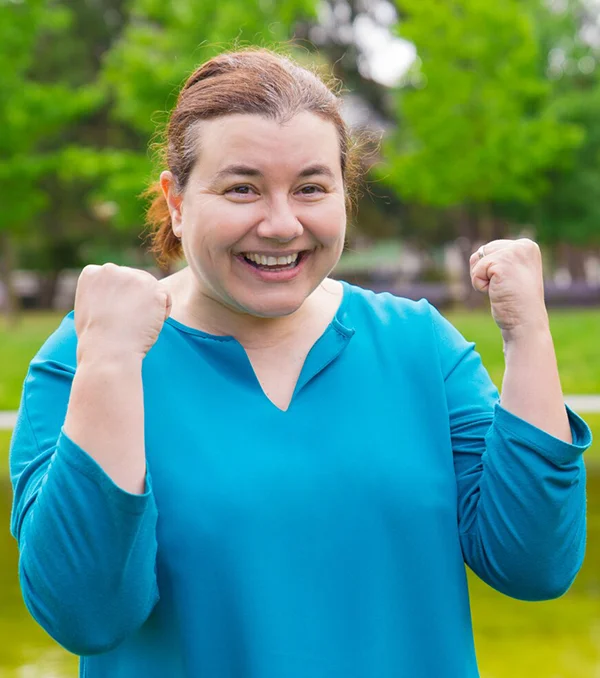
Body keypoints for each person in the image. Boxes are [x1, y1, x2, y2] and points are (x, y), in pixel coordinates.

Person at [9, 47, 591, 678]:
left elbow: (535, 566)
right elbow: (87, 616)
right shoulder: (86, 358)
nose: (283, 224)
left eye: (311, 188)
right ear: (176, 202)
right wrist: (111, 366)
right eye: (242, 189)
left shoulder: (419, 346)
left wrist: (528, 332)